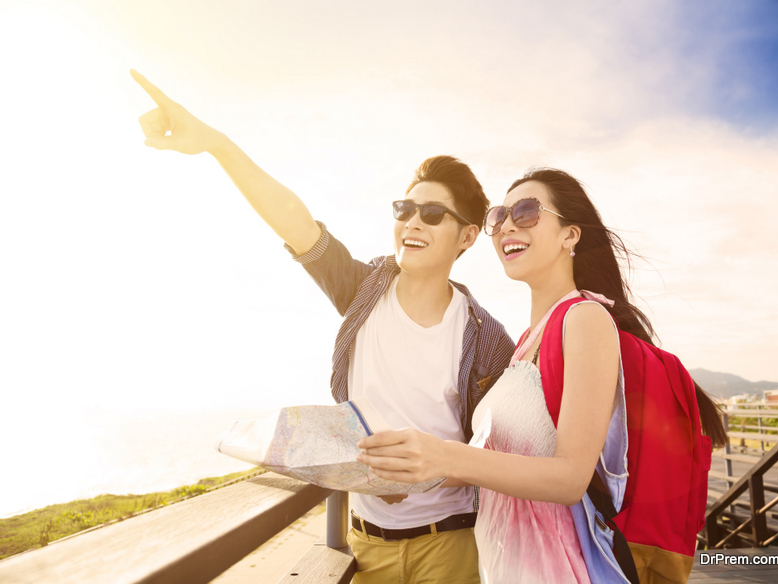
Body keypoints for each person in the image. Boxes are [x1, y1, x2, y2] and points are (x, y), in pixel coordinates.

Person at [130, 69, 515, 584]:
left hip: (448, 544)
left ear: (467, 236)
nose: (413, 222)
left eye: (432, 213)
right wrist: (216, 145)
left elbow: (502, 456)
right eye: (405, 208)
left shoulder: (486, 337)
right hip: (365, 541)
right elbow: (294, 219)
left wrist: (434, 470)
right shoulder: (362, 290)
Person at [357, 168, 727, 583]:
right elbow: (505, 466)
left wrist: (443, 454)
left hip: (556, 567)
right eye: (499, 216)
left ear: (570, 235)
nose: (507, 225)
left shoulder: (584, 318)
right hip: (504, 565)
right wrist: (412, 469)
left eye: (527, 211)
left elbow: (571, 476)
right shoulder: (526, 342)